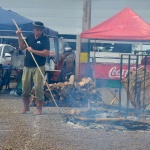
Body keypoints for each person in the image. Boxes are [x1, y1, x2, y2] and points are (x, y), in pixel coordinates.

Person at [16, 21, 50, 115]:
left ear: (43, 30)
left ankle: (39, 108)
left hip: (39, 66)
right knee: (25, 87)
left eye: (40, 30)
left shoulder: (45, 39)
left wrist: (33, 50)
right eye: (37, 30)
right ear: (34, 30)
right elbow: (22, 46)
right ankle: (25, 106)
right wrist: (19, 36)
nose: (39, 32)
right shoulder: (30, 37)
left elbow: (46, 53)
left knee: (38, 87)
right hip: (27, 66)